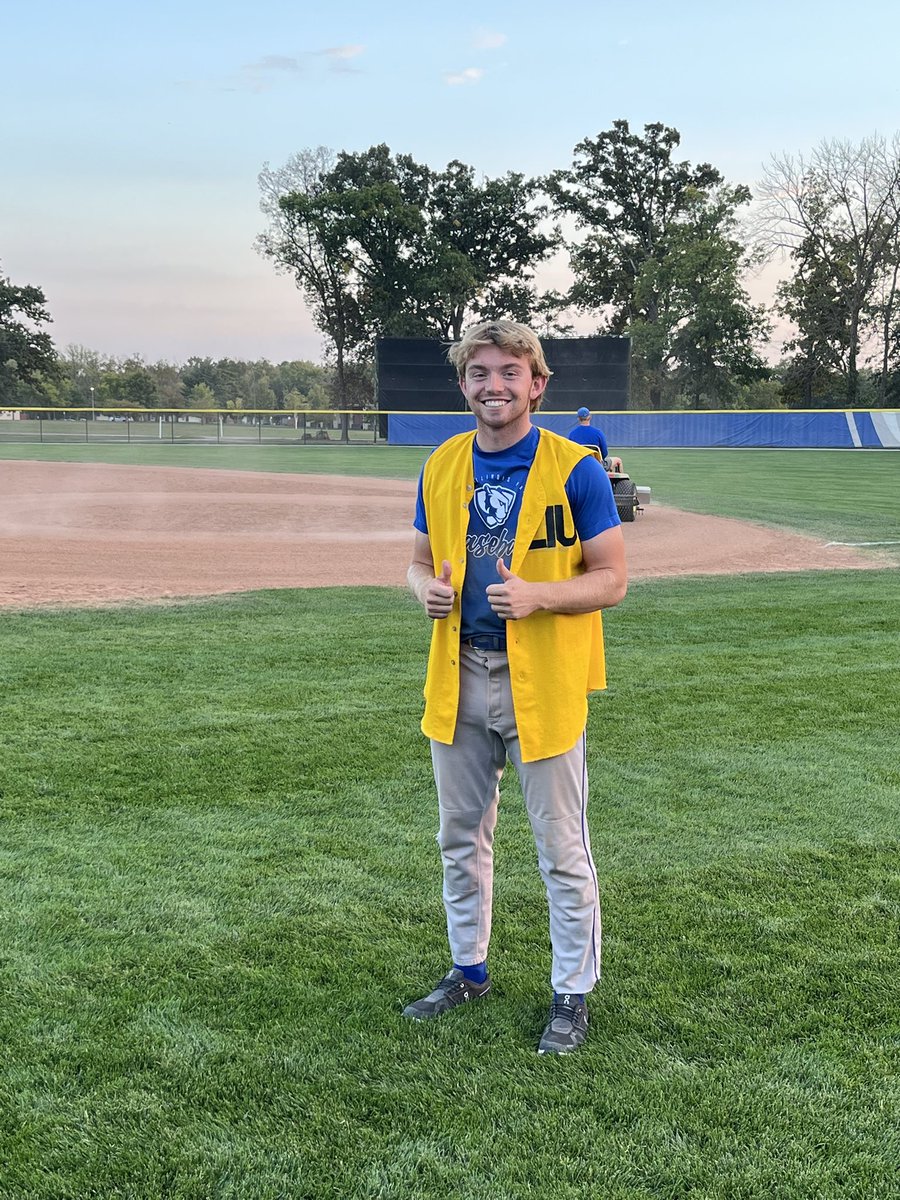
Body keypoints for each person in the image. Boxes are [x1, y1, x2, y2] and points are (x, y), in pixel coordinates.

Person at [404, 320, 627, 1055]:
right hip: (459, 670)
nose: (493, 385)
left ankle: (573, 994)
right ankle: (469, 970)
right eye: (479, 373)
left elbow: (612, 579)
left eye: (509, 372)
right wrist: (423, 591)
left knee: (561, 845)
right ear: (463, 384)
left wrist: (539, 598)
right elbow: (418, 561)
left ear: (537, 383)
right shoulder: (441, 464)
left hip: (544, 677)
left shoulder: (575, 468)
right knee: (459, 836)